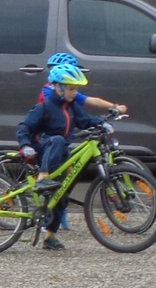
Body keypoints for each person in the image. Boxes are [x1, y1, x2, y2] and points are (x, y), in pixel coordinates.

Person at [14, 59, 127, 250]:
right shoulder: (45, 107)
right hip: (42, 150)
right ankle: (43, 177)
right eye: (72, 89)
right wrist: (26, 145)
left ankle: (50, 237)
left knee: (62, 193)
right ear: (58, 88)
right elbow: (24, 127)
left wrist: (101, 123)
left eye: (76, 89)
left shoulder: (71, 106)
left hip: (59, 154)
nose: (75, 93)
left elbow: (85, 120)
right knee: (56, 139)